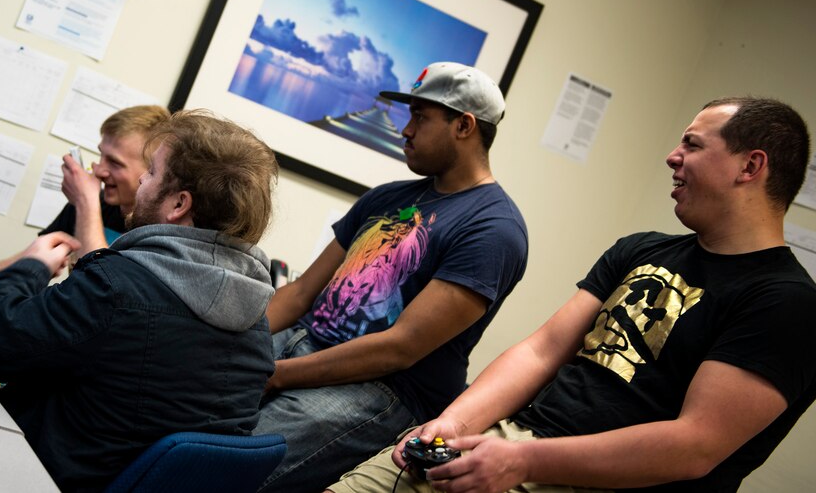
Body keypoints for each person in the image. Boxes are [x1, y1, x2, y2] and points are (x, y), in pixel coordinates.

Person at [331, 96, 816, 493]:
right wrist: (453, 424)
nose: (673, 156)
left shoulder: (787, 303)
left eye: (692, 144)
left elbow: (694, 446)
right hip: (510, 444)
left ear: (750, 165)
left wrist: (523, 461)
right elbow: (541, 352)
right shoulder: (640, 249)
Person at [0, 110, 281, 491]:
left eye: (153, 172)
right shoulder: (257, 327)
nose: (142, 179)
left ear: (178, 204)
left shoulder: (116, 287)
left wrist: (31, 267)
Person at [254, 62, 529, 492]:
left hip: (383, 389)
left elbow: (401, 348)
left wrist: (278, 373)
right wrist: (239, 344)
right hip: (300, 345)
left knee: (230, 460)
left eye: (420, 117)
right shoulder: (387, 197)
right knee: (185, 408)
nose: (406, 130)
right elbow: (302, 292)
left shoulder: (494, 229)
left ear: (464, 126)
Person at [0, 104, 169, 326]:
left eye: (115, 163)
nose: (99, 170)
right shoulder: (94, 204)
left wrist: (85, 202)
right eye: (101, 156)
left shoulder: (157, 230)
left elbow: (105, 288)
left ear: (149, 171)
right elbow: (31, 260)